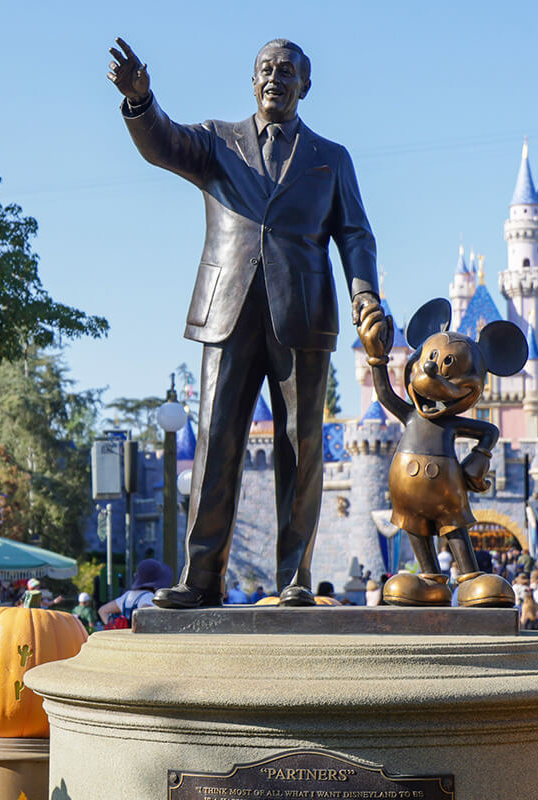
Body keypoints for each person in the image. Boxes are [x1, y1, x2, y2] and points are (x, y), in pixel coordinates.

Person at [108, 38, 381, 609]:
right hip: (227, 310)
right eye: (265, 69)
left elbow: (355, 233)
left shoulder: (332, 157)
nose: (275, 78)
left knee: (301, 447)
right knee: (215, 441)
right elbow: (164, 144)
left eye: (287, 71)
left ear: (305, 85)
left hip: (303, 316)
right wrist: (141, 103)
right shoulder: (216, 142)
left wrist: (366, 297)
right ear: (251, 81)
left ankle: (294, 580)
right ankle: (201, 578)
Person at [98, 559, 175, 627]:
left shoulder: (127, 596)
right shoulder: (149, 597)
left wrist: (114, 626)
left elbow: (102, 610)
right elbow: (146, 613)